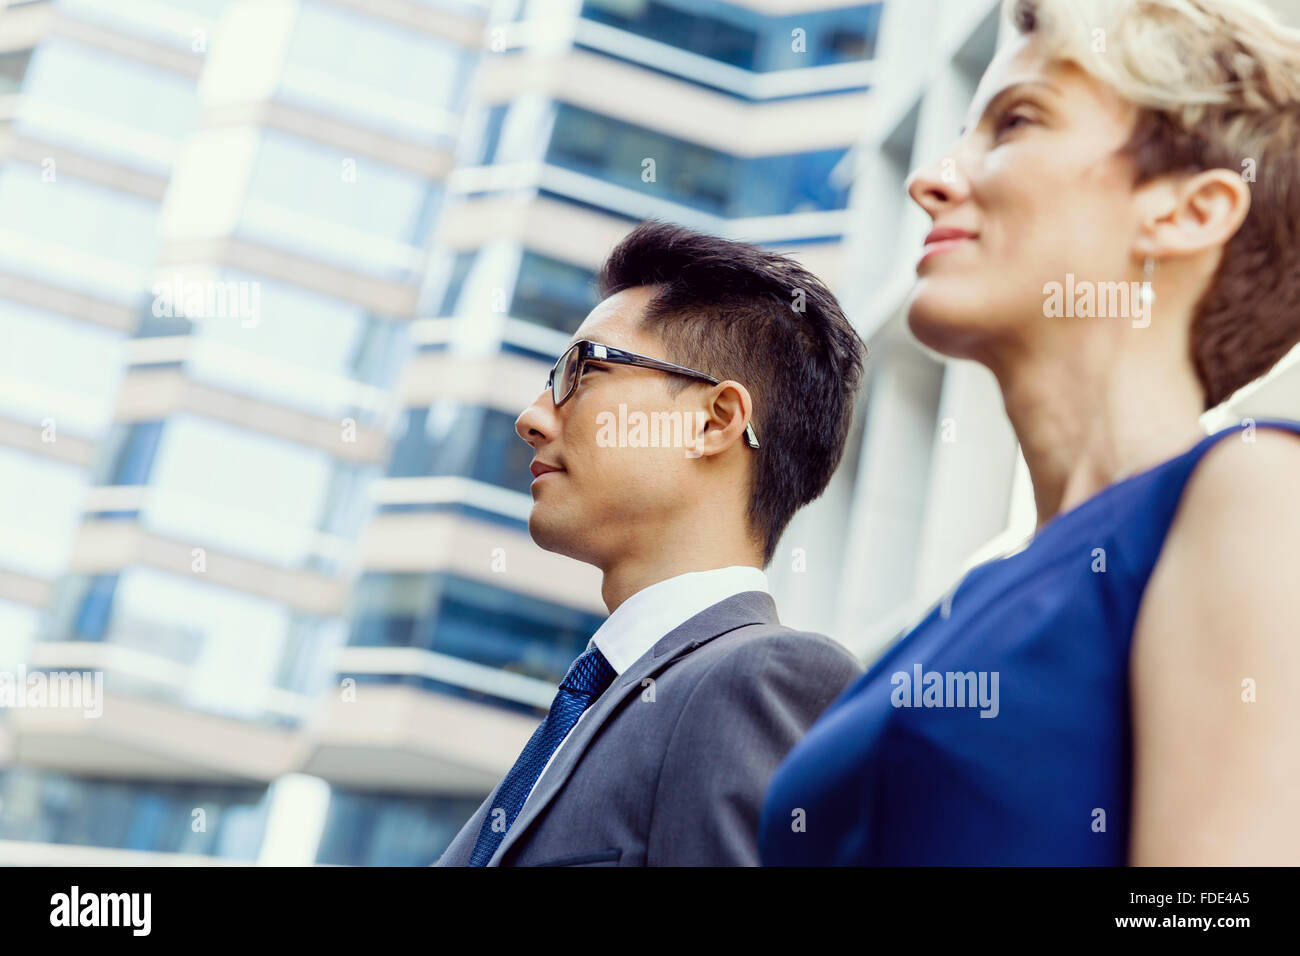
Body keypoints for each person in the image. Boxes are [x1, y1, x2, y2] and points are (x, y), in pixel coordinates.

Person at [760, 0, 1300, 865]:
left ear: (1188, 212)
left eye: (1017, 121)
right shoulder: (977, 597)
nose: (930, 179)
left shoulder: (1256, 492)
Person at [436, 220, 866, 866]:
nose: (532, 417)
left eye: (583, 370)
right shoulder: (597, 705)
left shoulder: (760, 680)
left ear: (716, 420)